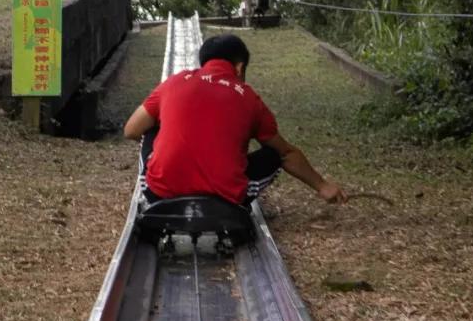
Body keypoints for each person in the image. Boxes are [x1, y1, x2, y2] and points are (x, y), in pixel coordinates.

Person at [123, 31, 348, 208]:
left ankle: (164, 179)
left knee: (149, 129)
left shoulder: (173, 83)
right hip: (227, 199)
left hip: (160, 193)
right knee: (273, 154)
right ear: (239, 68)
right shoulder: (249, 97)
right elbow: (287, 153)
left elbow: (131, 130)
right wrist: (322, 186)